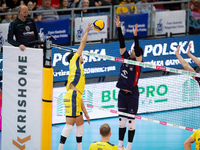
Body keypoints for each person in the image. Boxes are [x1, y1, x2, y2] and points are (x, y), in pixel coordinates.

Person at [58, 23, 92, 150]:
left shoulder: (79, 70)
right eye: (80, 55)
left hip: (75, 97)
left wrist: (86, 113)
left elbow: (79, 96)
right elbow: (82, 44)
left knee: (80, 123)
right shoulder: (74, 61)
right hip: (72, 96)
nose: (82, 56)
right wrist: (87, 31)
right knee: (69, 125)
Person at [114, 16, 143, 150]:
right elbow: (121, 43)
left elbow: (137, 51)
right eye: (132, 50)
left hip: (133, 95)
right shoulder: (125, 57)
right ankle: (120, 146)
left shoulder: (138, 63)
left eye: (134, 51)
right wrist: (119, 28)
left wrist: (135, 36)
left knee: (131, 122)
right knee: (122, 122)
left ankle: (129, 147)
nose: (132, 52)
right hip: (122, 94)